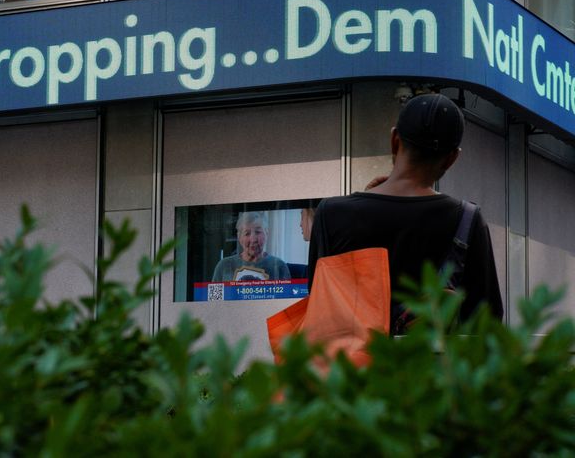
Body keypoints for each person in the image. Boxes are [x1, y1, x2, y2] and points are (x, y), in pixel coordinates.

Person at [306, 93, 503, 335]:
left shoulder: (330, 214)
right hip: (432, 371)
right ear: (452, 158)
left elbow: (319, 305)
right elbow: (487, 327)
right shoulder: (468, 221)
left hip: (352, 371)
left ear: (395, 140)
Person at [212, 211, 291, 282]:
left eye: (258, 232)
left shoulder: (279, 266)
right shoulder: (224, 266)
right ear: (239, 237)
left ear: (266, 233)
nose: (253, 239)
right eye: (247, 233)